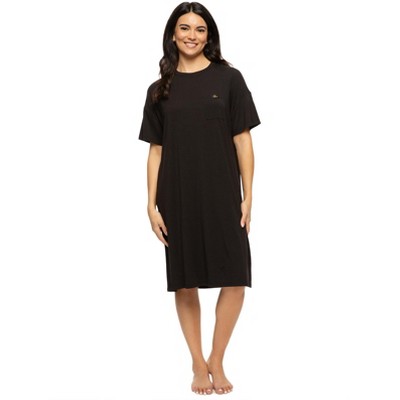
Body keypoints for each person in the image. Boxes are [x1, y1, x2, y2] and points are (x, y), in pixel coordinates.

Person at [138, 2, 260, 395]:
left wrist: (248, 196)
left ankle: (217, 359)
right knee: (185, 281)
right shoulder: (159, 89)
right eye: (185, 28)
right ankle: (196, 362)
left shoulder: (230, 79)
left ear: (209, 36)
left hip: (223, 193)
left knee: (236, 277)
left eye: (200, 29)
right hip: (177, 194)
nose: (192, 35)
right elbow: (156, 150)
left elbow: (243, 140)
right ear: (173, 34)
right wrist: (151, 205)